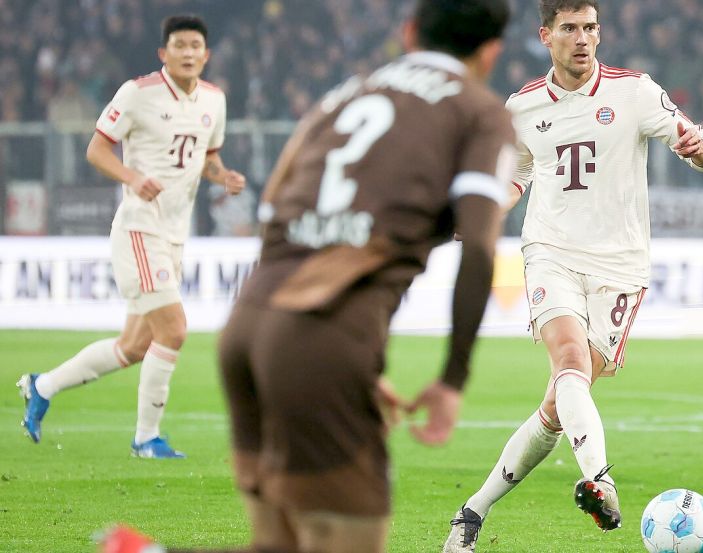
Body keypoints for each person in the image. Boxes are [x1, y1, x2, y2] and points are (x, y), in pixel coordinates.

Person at [100, 0, 515, 551]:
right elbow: (481, 249)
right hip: (322, 339)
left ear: (410, 31)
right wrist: (452, 379)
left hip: (247, 329)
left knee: (277, 542)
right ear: (491, 52)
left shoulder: (344, 95)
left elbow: (273, 211)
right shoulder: (479, 111)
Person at [443, 1, 703, 551]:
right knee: (568, 361)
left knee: (557, 405)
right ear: (545, 36)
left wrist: (702, 154)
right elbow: (519, 170)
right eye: (569, 29)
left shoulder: (634, 92)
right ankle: (600, 478)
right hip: (552, 251)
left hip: (620, 268)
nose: (582, 39)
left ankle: (471, 513)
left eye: (590, 28)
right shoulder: (521, 107)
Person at [17, 15, 246, 458]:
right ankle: (146, 438)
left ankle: (42, 387)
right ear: (164, 53)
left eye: (195, 45)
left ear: (206, 54)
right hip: (140, 228)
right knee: (175, 329)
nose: (187, 52)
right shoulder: (138, 94)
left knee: (135, 346)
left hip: (177, 233)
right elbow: (97, 149)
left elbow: (207, 156)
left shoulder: (214, 101)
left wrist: (223, 177)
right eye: (178, 45)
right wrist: (132, 177)